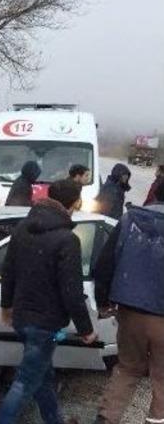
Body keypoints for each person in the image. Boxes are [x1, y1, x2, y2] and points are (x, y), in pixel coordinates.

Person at [0, 179, 96, 424]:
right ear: (76, 202)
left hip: (22, 317)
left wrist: (6, 306)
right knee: (25, 383)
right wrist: (86, 329)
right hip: (45, 323)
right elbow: (71, 289)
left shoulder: (22, 228)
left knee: (41, 377)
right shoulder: (67, 240)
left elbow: (9, 271)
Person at [92, 181, 164, 424]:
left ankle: (106, 418)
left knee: (128, 368)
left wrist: (103, 302)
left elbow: (104, 265)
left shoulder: (129, 220)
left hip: (130, 311)